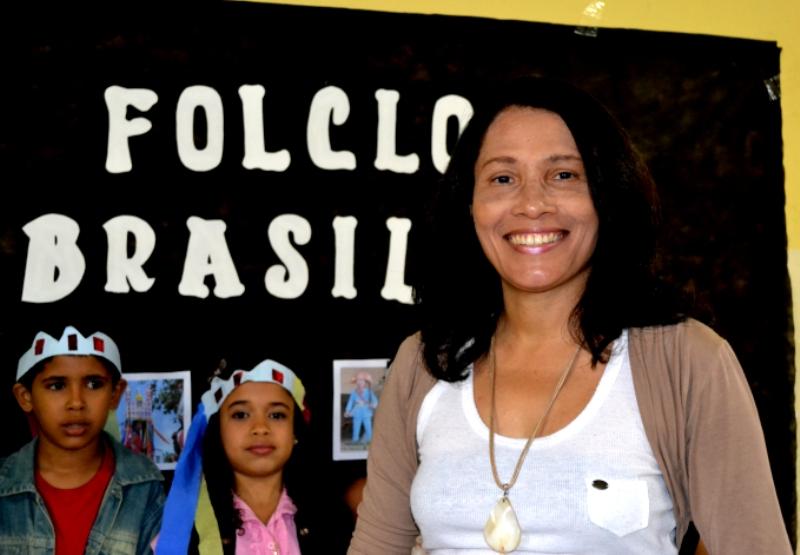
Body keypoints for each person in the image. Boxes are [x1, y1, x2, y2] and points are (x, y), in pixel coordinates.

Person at [348, 78, 792, 554]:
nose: (532, 204)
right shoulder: (423, 361)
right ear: (469, 205)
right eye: (503, 178)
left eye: (563, 175)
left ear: (606, 195)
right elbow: (377, 546)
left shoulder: (686, 361)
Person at [0, 325, 165, 554]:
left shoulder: (145, 488)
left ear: (115, 393)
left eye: (94, 384)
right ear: (25, 396)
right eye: (57, 386)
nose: (76, 402)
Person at [156, 357, 318, 554]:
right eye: (241, 415)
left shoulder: (333, 520)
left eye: (277, 415)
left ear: (295, 430)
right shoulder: (182, 530)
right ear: (218, 430)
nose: (260, 428)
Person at [344, 371, 379, 444]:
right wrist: (347, 410)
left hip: (366, 412)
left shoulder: (369, 392)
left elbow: (375, 401)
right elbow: (350, 402)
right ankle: (355, 440)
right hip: (357, 412)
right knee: (356, 427)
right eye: (358, 380)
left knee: (368, 427)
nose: (360, 382)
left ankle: (370, 440)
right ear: (356, 382)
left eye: (362, 380)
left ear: (365, 382)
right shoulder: (354, 392)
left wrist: (373, 405)